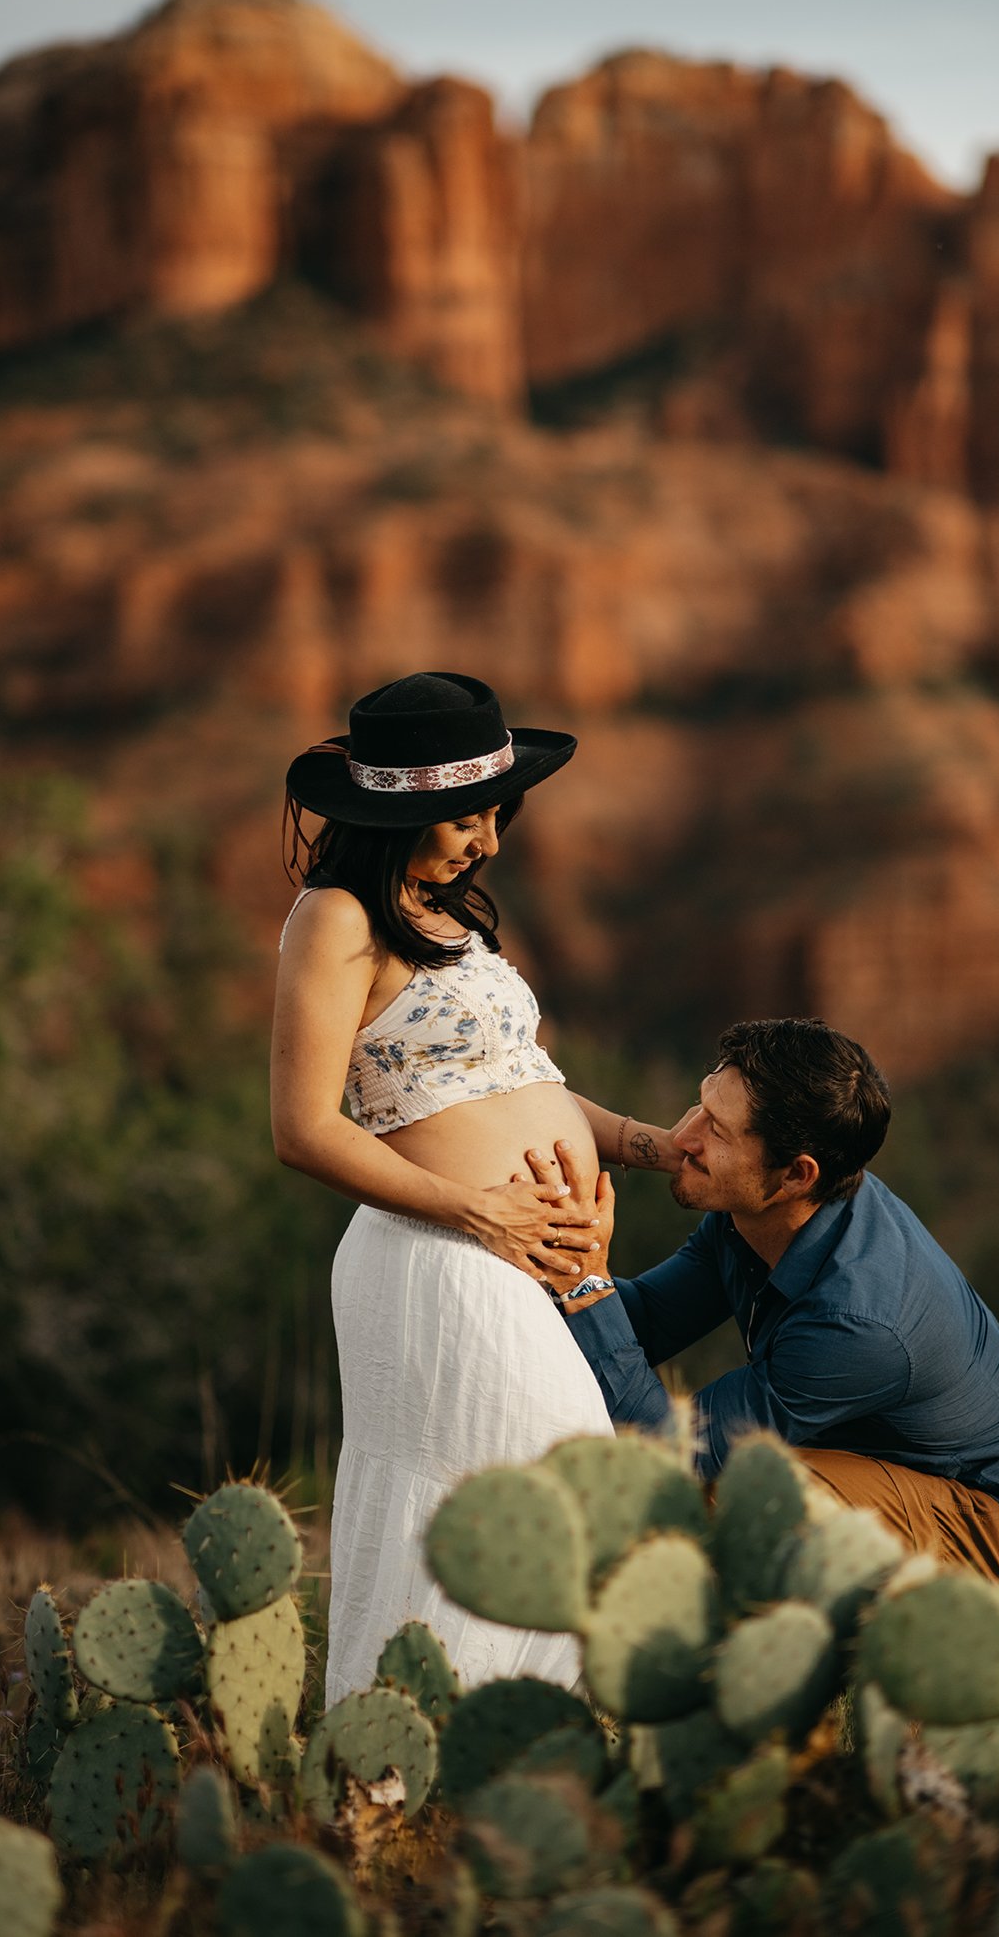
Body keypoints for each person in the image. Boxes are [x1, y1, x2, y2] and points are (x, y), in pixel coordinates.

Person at [271, 671, 683, 1702]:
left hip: (517, 1256)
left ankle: (509, 1774)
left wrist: (644, 1143)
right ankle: (410, 1758)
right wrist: (477, 1209)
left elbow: (517, 1082)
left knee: (551, 1498)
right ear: (396, 811)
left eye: (497, 811)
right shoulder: (333, 919)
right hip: (437, 1254)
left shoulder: (447, 918)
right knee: (516, 1494)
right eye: (466, 817)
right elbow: (302, 1127)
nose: (489, 840)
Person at [530, 1016, 999, 1656]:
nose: (684, 1136)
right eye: (698, 1105)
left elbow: (677, 1449)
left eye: (717, 1132)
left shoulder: (860, 1322)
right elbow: (642, 1323)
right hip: (925, 1487)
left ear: (796, 1175)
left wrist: (587, 1282)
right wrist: (552, 1272)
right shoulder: (758, 1213)